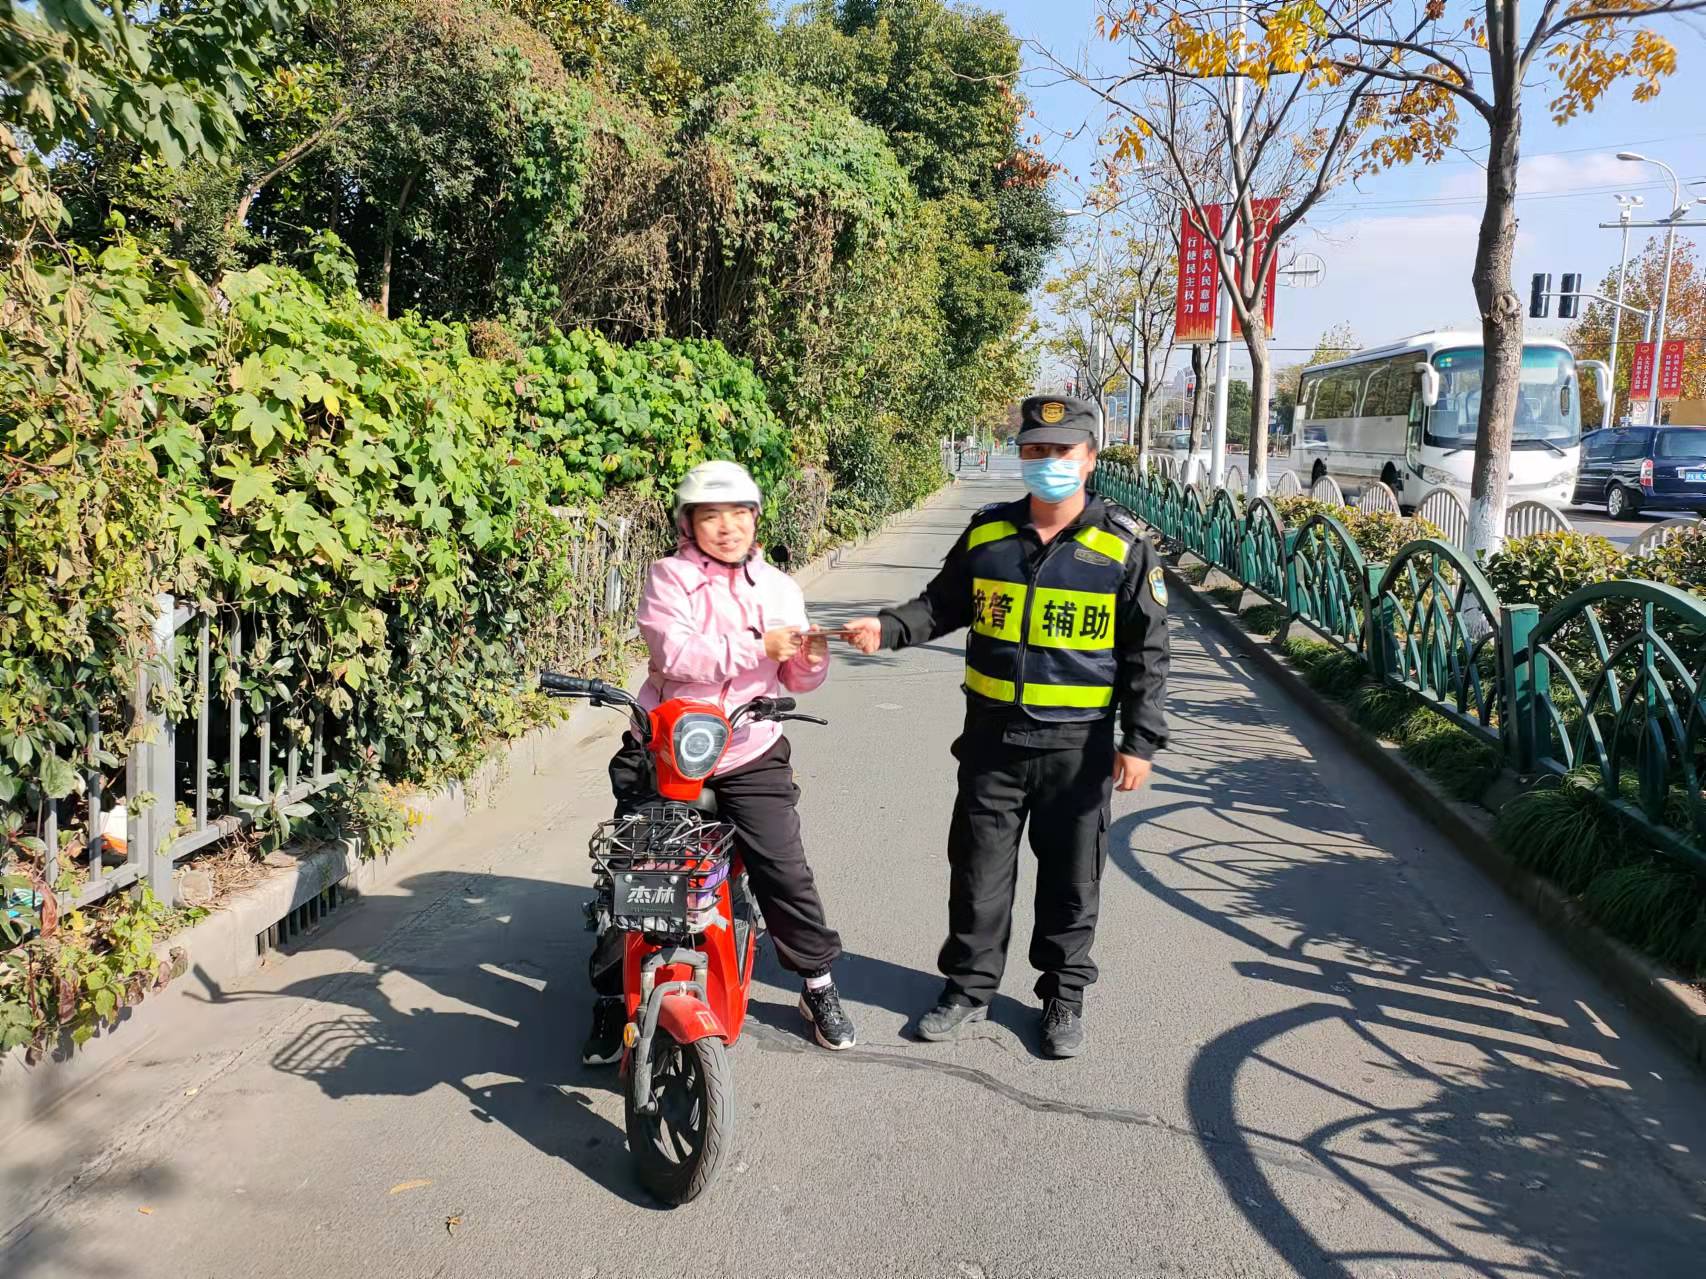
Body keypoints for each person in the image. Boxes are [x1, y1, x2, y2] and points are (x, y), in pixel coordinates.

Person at [844, 396, 1169, 1058]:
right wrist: (887, 626)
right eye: (1036, 450)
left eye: (1062, 451)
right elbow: (940, 605)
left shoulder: (1123, 546)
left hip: (1077, 749)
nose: (1048, 462)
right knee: (977, 874)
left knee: (1072, 880)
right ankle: (968, 988)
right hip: (992, 743)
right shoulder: (988, 535)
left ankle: (1063, 995)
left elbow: (1148, 652)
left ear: (1090, 459)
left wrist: (1140, 741)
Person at [581, 460, 856, 1063]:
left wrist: (809, 656)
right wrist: (758, 645)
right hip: (667, 749)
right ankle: (613, 996)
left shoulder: (779, 588)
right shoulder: (669, 578)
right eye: (711, 515)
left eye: (739, 513)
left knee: (783, 867)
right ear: (688, 523)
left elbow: (796, 679)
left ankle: (817, 984)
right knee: (635, 870)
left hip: (749, 750)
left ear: (755, 518)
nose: (727, 527)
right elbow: (674, 654)